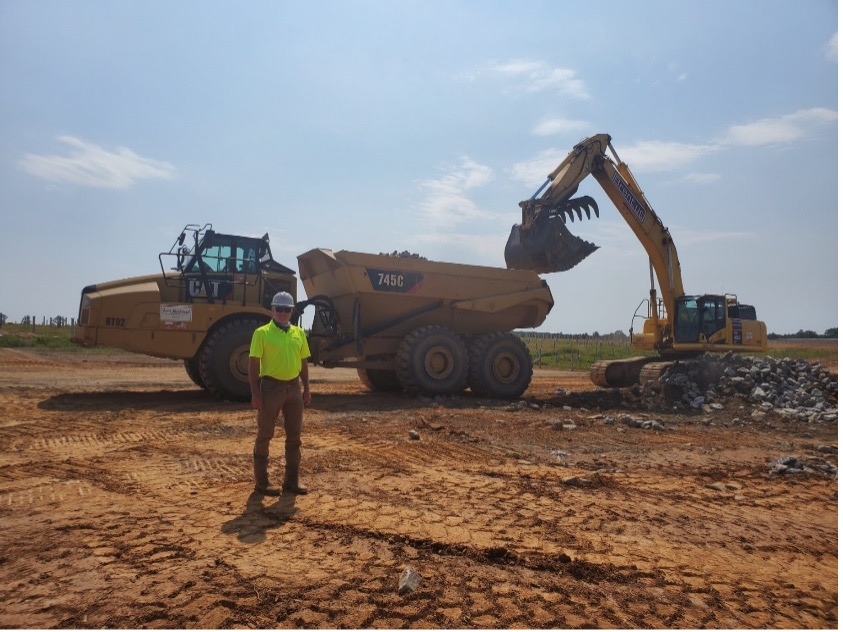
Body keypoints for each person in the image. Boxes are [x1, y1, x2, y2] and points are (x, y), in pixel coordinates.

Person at [248, 291, 311, 496]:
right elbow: (253, 364)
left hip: (294, 388)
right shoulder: (262, 333)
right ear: (272, 309)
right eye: (279, 309)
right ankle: (262, 482)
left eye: (287, 309)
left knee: (295, 437)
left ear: (292, 311)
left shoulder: (299, 334)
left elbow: (303, 362)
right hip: (270, 388)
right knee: (265, 434)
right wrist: (256, 393)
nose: (283, 313)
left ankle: (291, 481)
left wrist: (307, 388)